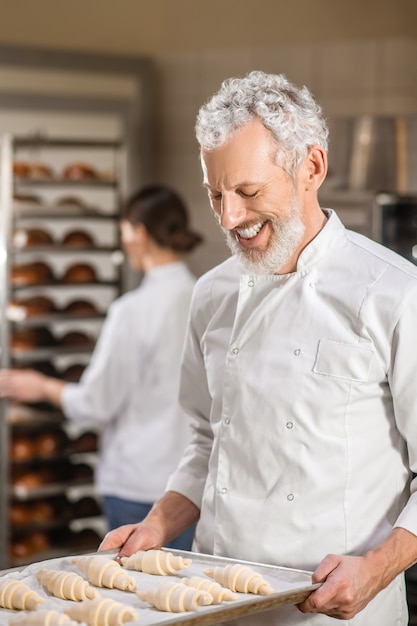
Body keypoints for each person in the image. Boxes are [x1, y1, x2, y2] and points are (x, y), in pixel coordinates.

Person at [99, 71, 417, 625]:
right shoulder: (213, 294)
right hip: (215, 602)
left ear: (311, 168)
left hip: (334, 614)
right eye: (215, 194)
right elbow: (206, 439)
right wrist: (158, 522)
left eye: (247, 192)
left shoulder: (392, 292)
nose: (228, 218)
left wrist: (378, 567)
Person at [0, 184, 203, 550]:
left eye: (124, 230)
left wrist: (43, 387)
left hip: (137, 485)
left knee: (133, 601)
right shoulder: (207, 298)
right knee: (182, 598)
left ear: (138, 233)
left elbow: (96, 404)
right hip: (192, 489)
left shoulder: (132, 311)